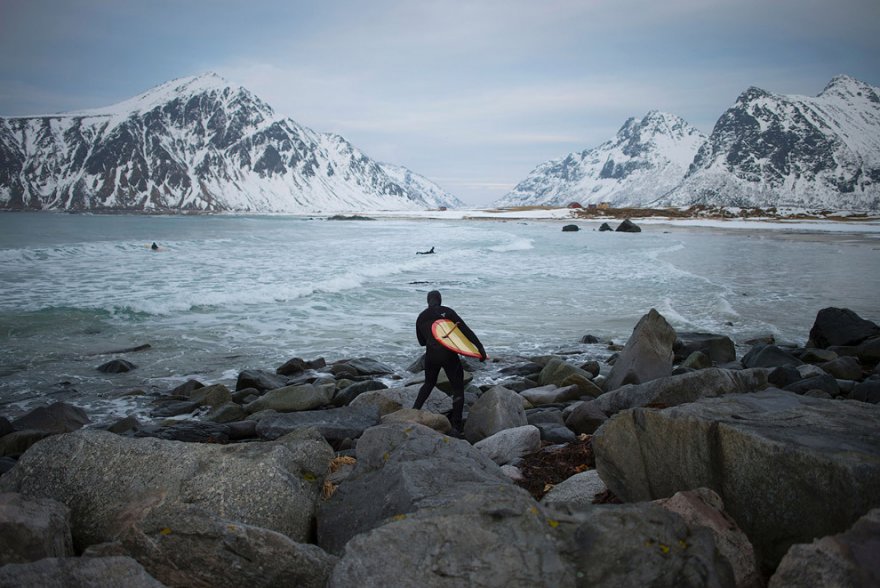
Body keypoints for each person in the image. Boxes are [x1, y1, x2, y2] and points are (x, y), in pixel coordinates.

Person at [413, 290, 486, 436]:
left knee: (428, 384)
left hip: (431, 355)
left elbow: (422, 342)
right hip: (448, 354)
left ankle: (413, 412)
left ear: (428, 301)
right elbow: (465, 331)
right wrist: (480, 349)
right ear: (440, 300)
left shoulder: (421, 317)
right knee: (458, 388)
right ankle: (456, 427)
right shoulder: (448, 312)